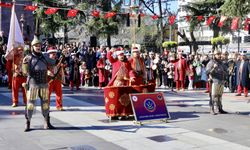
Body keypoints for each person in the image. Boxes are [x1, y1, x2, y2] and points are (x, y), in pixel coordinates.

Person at [22, 36, 57, 132]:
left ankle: (47, 122)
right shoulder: (28, 58)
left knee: (45, 104)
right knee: (30, 105)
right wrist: (24, 64)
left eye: (39, 45)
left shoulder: (45, 56)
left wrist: (63, 56)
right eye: (36, 45)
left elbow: (53, 62)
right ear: (32, 47)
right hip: (33, 84)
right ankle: (28, 122)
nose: (38, 47)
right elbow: (24, 72)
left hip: (44, 84)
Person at [206, 50, 228, 115]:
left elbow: (225, 70)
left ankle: (220, 108)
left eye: (219, 54)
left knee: (219, 96)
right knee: (213, 96)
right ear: (214, 55)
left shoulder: (221, 63)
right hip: (214, 81)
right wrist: (213, 68)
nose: (219, 55)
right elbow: (207, 72)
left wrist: (226, 72)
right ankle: (211, 109)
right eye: (217, 54)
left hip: (221, 81)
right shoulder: (211, 62)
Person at [47, 47, 65, 111]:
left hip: (57, 79)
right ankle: (46, 106)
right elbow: (43, 69)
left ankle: (59, 106)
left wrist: (62, 66)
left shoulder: (58, 61)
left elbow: (61, 69)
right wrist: (47, 72)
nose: (54, 55)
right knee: (48, 93)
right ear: (49, 54)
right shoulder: (46, 61)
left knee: (59, 93)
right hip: (49, 79)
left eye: (55, 54)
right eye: (52, 54)